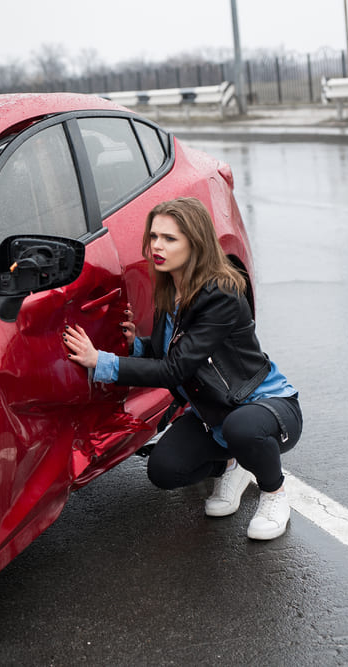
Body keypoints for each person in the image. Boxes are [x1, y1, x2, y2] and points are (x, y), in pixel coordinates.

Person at [63, 197, 302, 540]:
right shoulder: (172, 288)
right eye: (154, 236)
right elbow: (175, 348)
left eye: (169, 239)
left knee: (243, 428)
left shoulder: (220, 294)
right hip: (215, 414)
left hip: (265, 406)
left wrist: (101, 362)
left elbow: (175, 369)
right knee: (165, 470)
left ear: (196, 243)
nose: (157, 246)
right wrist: (137, 345)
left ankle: (274, 492)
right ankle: (233, 465)